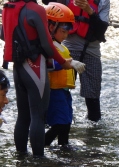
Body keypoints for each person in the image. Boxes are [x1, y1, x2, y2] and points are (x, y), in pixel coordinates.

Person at [1, 0, 74, 157]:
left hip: (18, 67)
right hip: (35, 67)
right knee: (38, 116)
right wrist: (63, 62)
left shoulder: (9, 7)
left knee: (23, 116)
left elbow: (3, 34)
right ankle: (39, 162)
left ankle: (20, 157)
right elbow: (48, 45)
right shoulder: (37, 10)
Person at [42, 0, 110, 122]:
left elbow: (101, 31)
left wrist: (90, 11)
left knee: (92, 95)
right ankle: (57, 122)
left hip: (91, 50)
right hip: (67, 47)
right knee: (60, 88)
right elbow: (48, 3)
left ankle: (93, 130)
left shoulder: (103, 1)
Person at [44, 2, 86, 148]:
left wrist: (72, 62)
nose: (67, 34)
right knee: (60, 122)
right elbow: (48, 66)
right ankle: (43, 143)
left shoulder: (61, 46)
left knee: (67, 121)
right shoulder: (49, 46)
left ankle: (64, 145)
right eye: (63, 31)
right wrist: (68, 63)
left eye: (68, 31)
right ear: (51, 27)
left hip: (64, 91)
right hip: (54, 92)